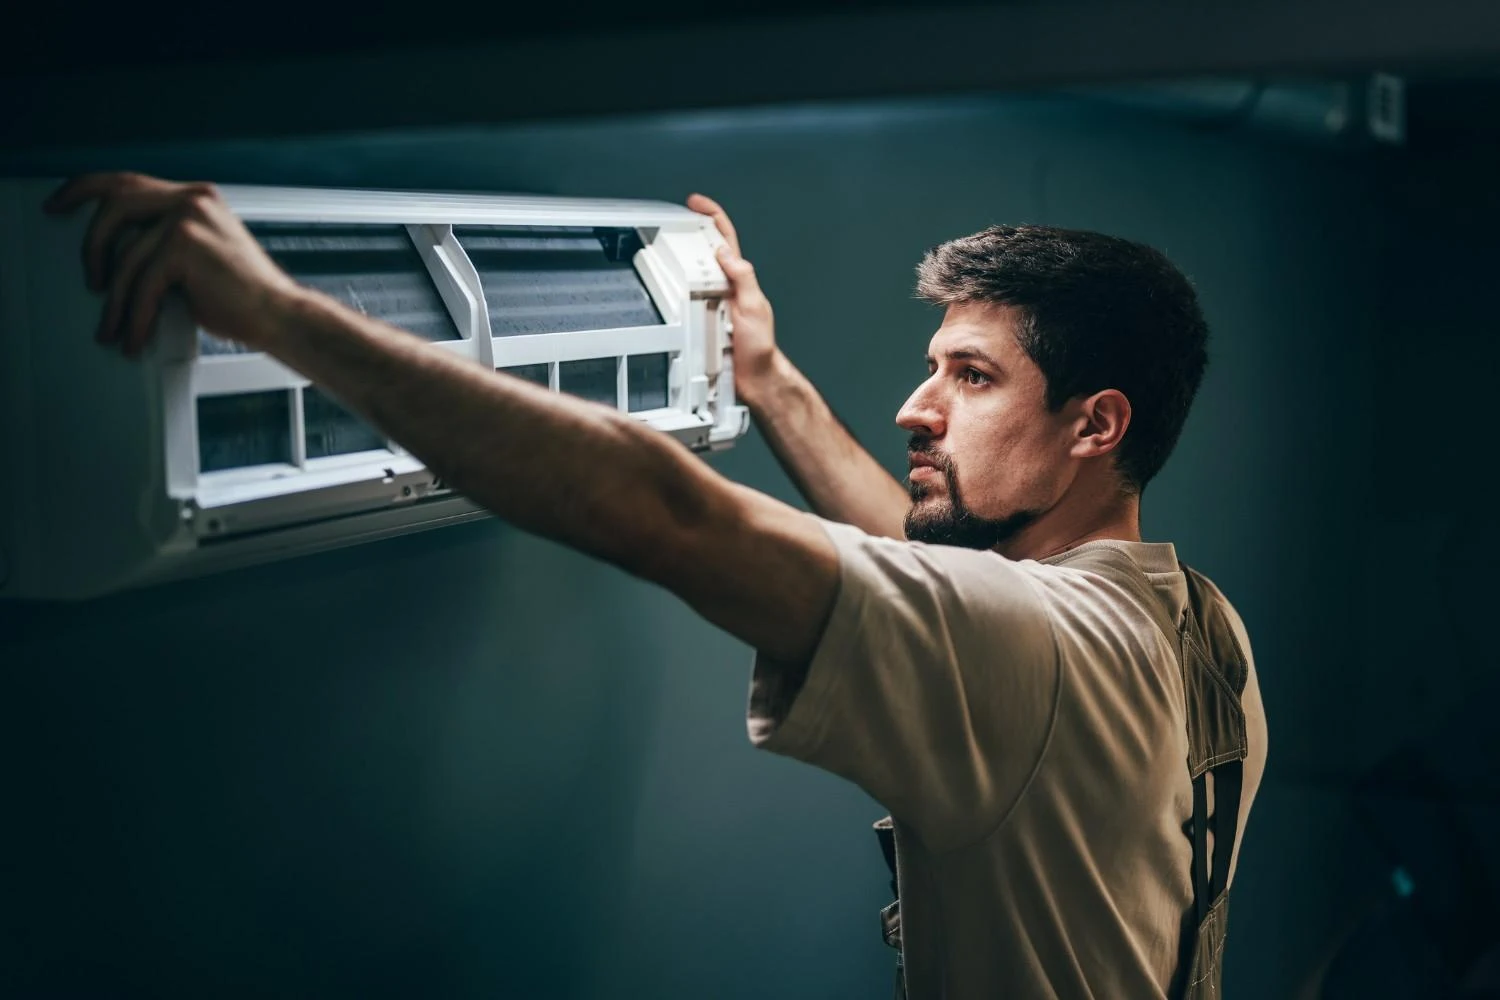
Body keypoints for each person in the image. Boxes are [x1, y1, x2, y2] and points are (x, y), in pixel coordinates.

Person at [45, 173, 1268, 999]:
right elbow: (930, 555)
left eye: (973, 376)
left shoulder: (1028, 647)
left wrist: (276, 311)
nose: (917, 404)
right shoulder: (1192, 623)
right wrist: (771, 377)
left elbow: (666, 512)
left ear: (1095, 424)